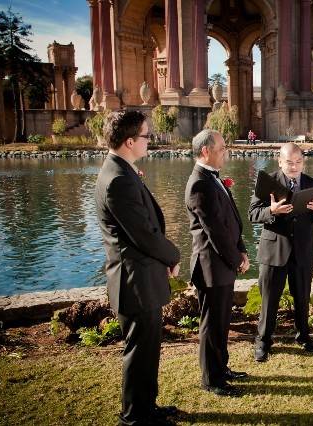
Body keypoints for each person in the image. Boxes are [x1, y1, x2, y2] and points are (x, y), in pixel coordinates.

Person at [95, 110, 180, 425]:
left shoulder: (121, 171)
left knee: (147, 349)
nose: (150, 141)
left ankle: (147, 408)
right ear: (130, 141)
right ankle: (135, 418)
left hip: (140, 277)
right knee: (139, 352)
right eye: (147, 136)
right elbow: (145, 234)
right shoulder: (118, 180)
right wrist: (173, 256)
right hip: (135, 280)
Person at [249, 142, 313, 362]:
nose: (294, 167)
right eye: (289, 163)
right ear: (280, 161)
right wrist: (271, 211)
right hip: (274, 251)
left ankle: (303, 336)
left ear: (303, 161)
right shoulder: (268, 182)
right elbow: (253, 214)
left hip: (302, 252)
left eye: (298, 162)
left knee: (302, 297)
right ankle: (263, 342)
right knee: (269, 299)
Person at [185, 129, 250, 397]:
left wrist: (242, 250)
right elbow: (215, 232)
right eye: (222, 147)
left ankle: (221, 368)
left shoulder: (213, 179)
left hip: (223, 263)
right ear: (205, 151)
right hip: (211, 266)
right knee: (211, 325)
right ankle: (212, 380)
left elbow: (231, 221)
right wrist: (236, 260)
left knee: (222, 322)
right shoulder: (199, 183)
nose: (226, 151)